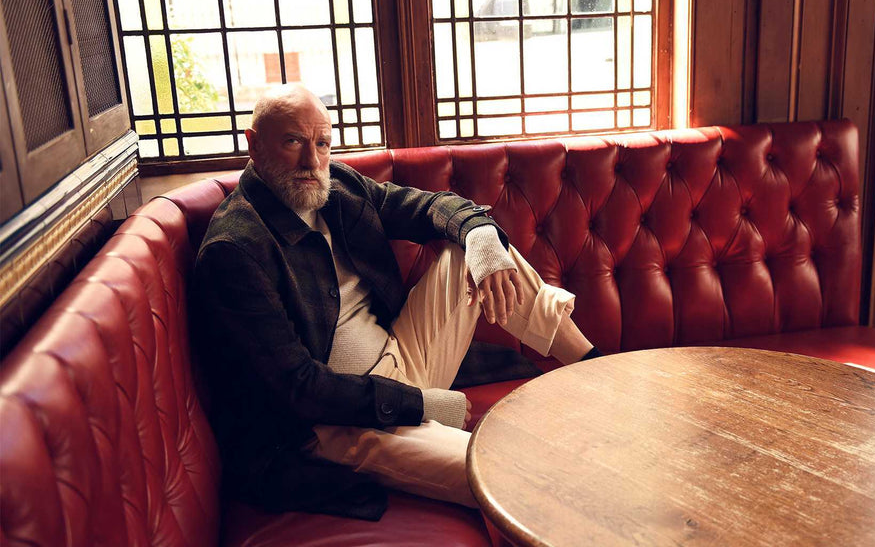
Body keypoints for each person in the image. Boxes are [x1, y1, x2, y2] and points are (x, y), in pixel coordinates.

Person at [193, 84, 601, 521]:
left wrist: (481, 236)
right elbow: (299, 389)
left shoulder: (338, 186)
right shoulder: (235, 250)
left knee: (473, 248)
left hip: (399, 357)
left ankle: (596, 369)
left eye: (322, 143)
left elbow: (427, 207)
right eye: (293, 142)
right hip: (334, 423)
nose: (312, 161)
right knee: (509, 473)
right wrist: (420, 404)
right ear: (254, 144)